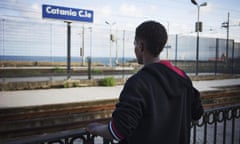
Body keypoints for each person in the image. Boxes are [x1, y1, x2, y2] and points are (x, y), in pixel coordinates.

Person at [87, 20, 204, 144]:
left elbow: (117, 131)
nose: (135, 49)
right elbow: (197, 114)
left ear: (141, 47)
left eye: (135, 44)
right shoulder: (182, 77)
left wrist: (96, 128)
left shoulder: (137, 83)